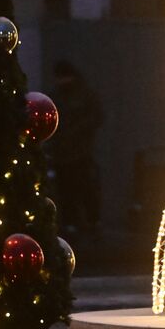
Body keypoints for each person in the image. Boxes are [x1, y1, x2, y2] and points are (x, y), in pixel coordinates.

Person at [47, 60, 105, 238]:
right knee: (66, 190)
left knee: (85, 187)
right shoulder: (58, 95)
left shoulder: (83, 94)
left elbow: (96, 116)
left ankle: (91, 221)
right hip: (63, 153)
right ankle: (72, 222)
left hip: (80, 152)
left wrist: (78, 131)